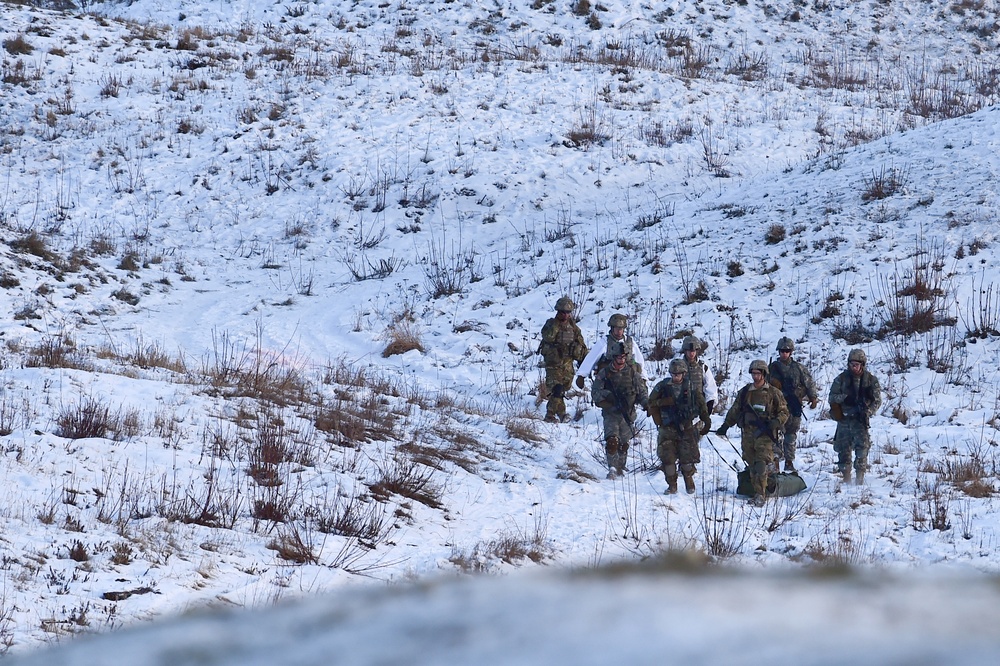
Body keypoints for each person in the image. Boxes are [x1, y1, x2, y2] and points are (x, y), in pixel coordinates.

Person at [716, 359, 789, 507]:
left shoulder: (773, 393)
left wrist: (776, 422)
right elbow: (735, 410)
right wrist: (725, 425)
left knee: (761, 462)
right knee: (751, 462)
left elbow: (784, 412)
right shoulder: (745, 392)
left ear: (764, 374)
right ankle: (759, 487)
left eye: (758, 373)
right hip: (748, 433)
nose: (755, 376)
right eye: (753, 373)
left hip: (765, 434)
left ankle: (760, 494)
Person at [647, 358, 711, 494]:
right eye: (674, 374)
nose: (676, 377)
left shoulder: (691, 387)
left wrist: (706, 419)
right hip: (667, 428)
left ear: (684, 373)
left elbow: (701, 404)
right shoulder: (662, 386)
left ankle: (689, 479)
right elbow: (650, 403)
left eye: (679, 374)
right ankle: (672, 486)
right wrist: (664, 402)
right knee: (668, 459)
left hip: (686, 427)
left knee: (687, 460)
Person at [591, 340, 648, 479]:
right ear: (614, 357)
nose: (621, 360)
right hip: (611, 413)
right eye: (619, 357)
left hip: (627, 413)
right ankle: (612, 468)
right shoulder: (605, 373)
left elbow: (641, 391)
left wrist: (647, 404)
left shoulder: (632, 373)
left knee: (624, 443)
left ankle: (620, 466)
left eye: (623, 357)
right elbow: (595, 392)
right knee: (612, 441)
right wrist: (608, 396)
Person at [828, 348, 882, 485]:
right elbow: (832, 397)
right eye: (851, 364)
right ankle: (846, 477)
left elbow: (877, 400)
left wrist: (868, 412)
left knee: (862, 449)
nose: (854, 367)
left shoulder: (870, 380)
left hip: (860, 420)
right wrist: (845, 398)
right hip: (845, 419)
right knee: (843, 449)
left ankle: (859, 478)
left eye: (856, 364)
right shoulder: (841, 379)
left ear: (862, 364)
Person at [768, 337, 819, 473]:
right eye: (782, 351)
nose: (784, 353)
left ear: (791, 352)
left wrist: (813, 397)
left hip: (793, 405)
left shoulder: (798, 368)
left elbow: (809, 382)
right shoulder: (772, 368)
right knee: (774, 434)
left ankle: (789, 462)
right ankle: (775, 462)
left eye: (787, 351)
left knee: (790, 435)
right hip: (776, 407)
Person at [538, 296, 588, 422]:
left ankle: (561, 413)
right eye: (562, 312)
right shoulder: (551, 324)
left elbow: (581, 343)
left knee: (563, 389)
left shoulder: (573, 327)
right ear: (558, 311)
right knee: (557, 389)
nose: (565, 315)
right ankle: (550, 414)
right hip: (553, 363)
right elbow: (548, 337)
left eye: (567, 312)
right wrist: (556, 324)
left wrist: (584, 360)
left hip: (567, 364)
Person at [575, 313, 646, 389]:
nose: (619, 331)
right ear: (612, 328)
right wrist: (582, 375)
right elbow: (591, 358)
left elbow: (639, 362)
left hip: (628, 381)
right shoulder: (604, 342)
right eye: (617, 328)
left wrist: (644, 378)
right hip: (609, 381)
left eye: (621, 329)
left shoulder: (630, 342)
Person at [678, 335, 718, 414]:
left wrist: (709, 403)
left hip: (698, 409)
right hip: (681, 409)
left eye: (693, 351)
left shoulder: (702, 367)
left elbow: (710, 386)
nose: (691, 353)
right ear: (685, 351)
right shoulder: (677, 366)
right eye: (689, 351)